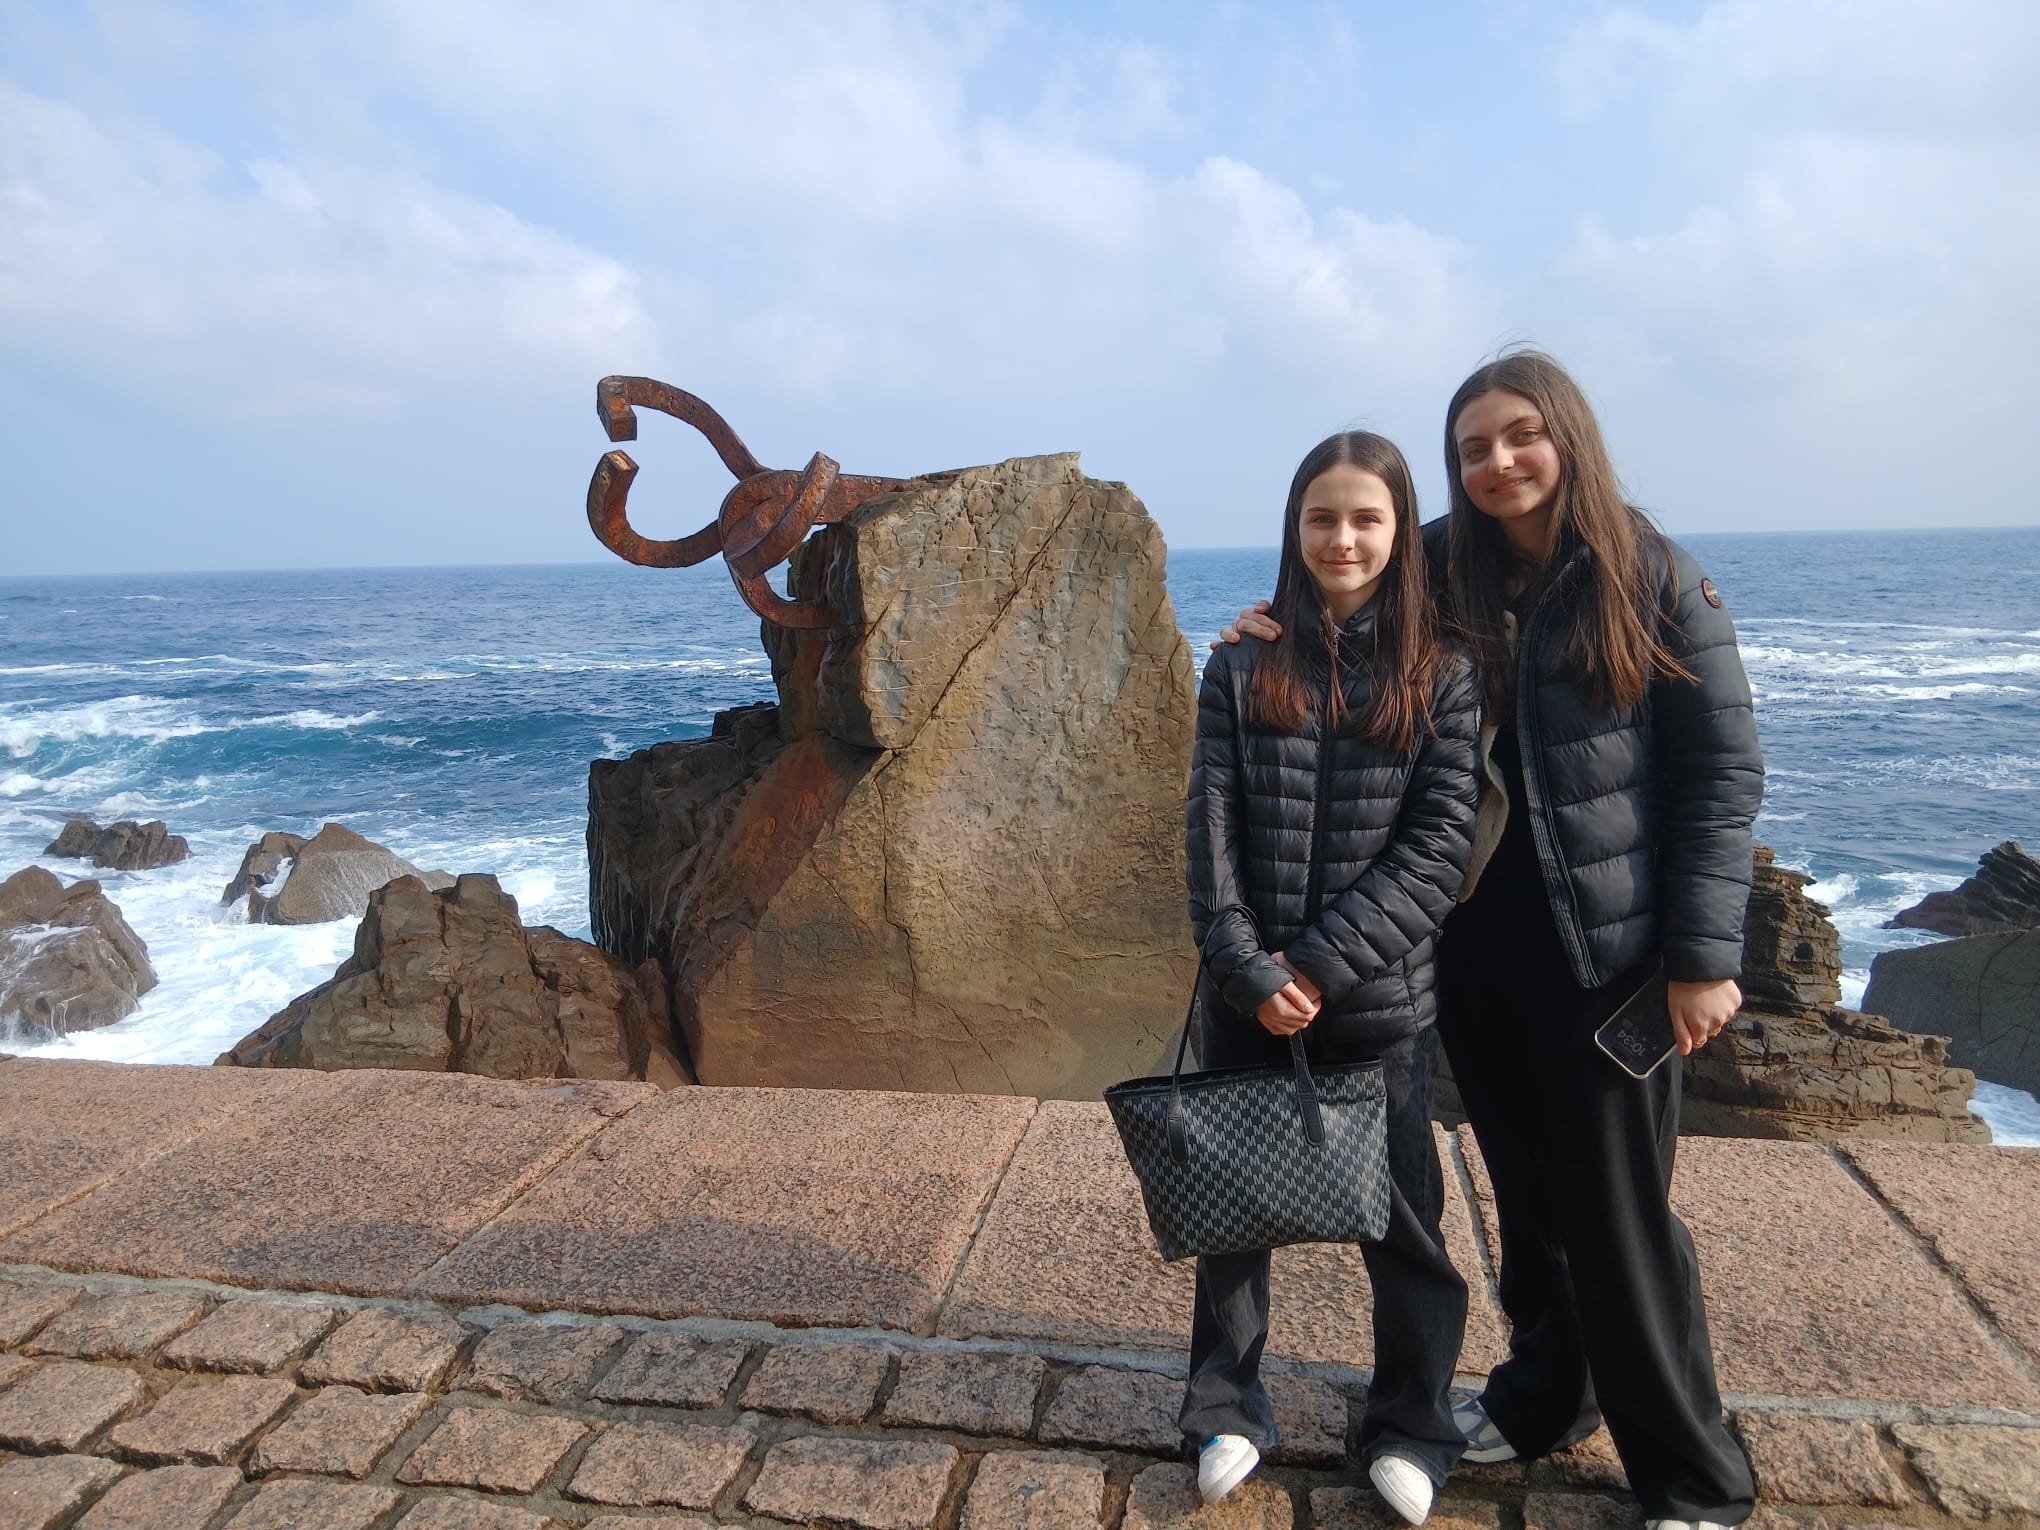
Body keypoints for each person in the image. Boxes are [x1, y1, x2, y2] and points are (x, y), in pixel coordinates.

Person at [1220, 350, 1763, 1529]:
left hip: (1610, 953)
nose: (1498, 462)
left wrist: (1703, 957)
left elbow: (1722, 776)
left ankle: (1695, 1478)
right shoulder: (1442, 568)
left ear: (1568, 436)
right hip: (1473, 946)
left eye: (1521, 436)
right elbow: (1341, 588)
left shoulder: (1654, 576)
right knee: (1526, 1203)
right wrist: (1266, 625)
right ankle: (1543, 1397)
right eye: (1473, 448)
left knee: (1618, 1218)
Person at [1185, 429, 1481, 1522]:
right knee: (1232, 1209)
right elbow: (1209, 826)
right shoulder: (1241, 660)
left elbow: (1438, 848)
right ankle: (1225, 1406)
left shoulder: (1443, 672)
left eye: (1366, 518)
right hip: (1247, 994)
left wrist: (1310, 967)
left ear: (1401, 531)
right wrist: (1244, 966)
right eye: (1322, 517)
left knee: (1404, 1221)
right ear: (1294, 527)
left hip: (1379, 1001)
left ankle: (1412, 1424)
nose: (1342, 538)